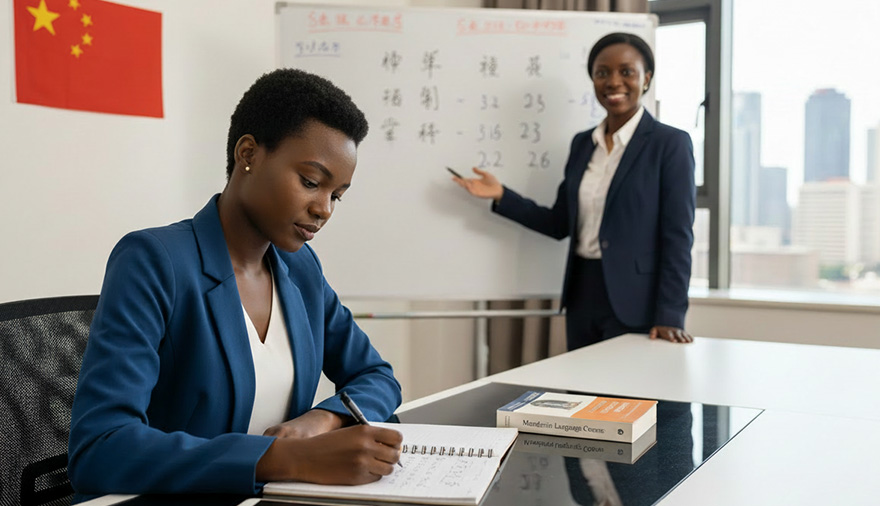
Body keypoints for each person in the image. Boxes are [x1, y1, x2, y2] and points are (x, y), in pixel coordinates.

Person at [68, 69, 403, 500]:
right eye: (310, 182)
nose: (323, 210)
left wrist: (325, 420)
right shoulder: (154, 261)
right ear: (249, 153)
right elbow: (100, 449)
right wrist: (289, 459)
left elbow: (377, 376)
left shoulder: (300, 270)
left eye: (336, 195)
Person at [453, 32, 695, 350]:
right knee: (581, 397)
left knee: (629, 398)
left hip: (637, 301)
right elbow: (559, 223)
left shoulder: (670, 144)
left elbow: (678, 237)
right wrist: (502, 195)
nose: (613, 81)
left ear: (646, 79)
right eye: (602, 72)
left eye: (627, 71)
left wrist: (671, 315)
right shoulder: (583, 144)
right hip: (582, 294)